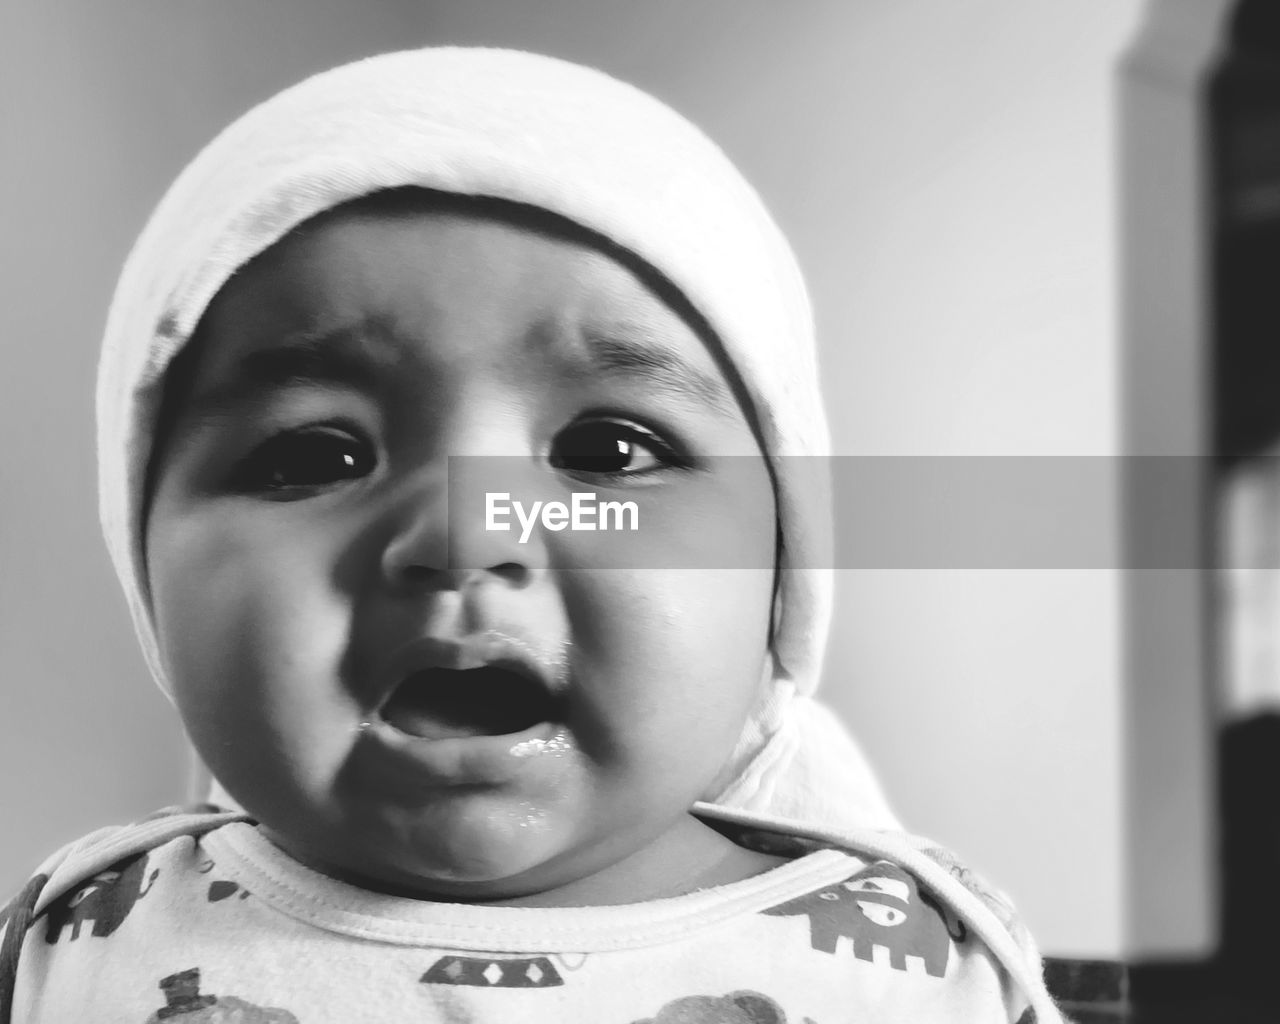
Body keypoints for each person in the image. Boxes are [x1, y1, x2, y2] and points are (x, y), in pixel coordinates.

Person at [0, 47, 1064, 1023]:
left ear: (784, 572)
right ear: (142, 563)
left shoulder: (919, 970)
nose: (467, 537)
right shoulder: (70, 944)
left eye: (606, 450)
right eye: (318, 454)